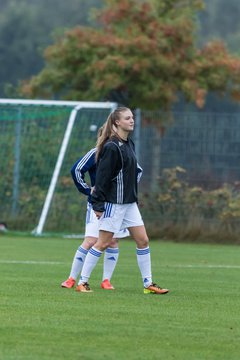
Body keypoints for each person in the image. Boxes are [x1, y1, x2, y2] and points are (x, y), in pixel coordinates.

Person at [76, 107, 169, 294]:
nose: (132, 120)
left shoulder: (129, 144)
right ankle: (82, 282)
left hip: (129, 204)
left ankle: (148, 284)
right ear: (117, 122)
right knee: (102, 243)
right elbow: (102, 178)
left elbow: (130, 175)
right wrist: (98, 204)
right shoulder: (111, 147)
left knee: (143, 240)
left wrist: (133, 196)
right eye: (127, 118)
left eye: (132, 117)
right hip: (113, 204)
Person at [61, 127, 129, 290]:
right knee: (91, 240)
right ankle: (71, 278)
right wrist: (87, 189)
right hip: (97, 203)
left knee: (113, 241)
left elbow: (137, 172)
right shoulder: (95, 153)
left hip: (117, 204)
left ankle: (106, 280)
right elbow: (76, 170)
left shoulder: (123, 153)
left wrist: (127, 191)